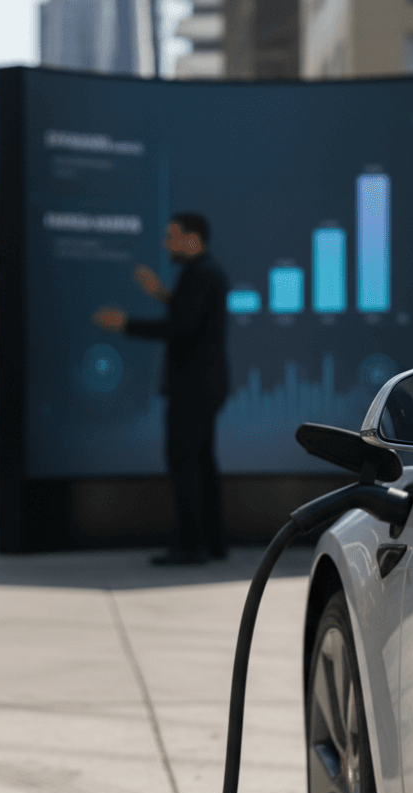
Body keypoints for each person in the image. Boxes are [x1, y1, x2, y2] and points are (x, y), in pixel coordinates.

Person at [93, 213, 230, 565]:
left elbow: (181, 328)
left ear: (192, 238)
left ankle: (190, 546)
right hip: (204, 385)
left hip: (193, 387)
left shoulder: (200, 274)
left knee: (185, 463)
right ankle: (211, 543)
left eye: (171, 236)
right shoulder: (205, 273)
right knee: (201, 463)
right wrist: (161, 294)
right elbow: (189, 317)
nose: (166, 244)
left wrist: (125, 324)